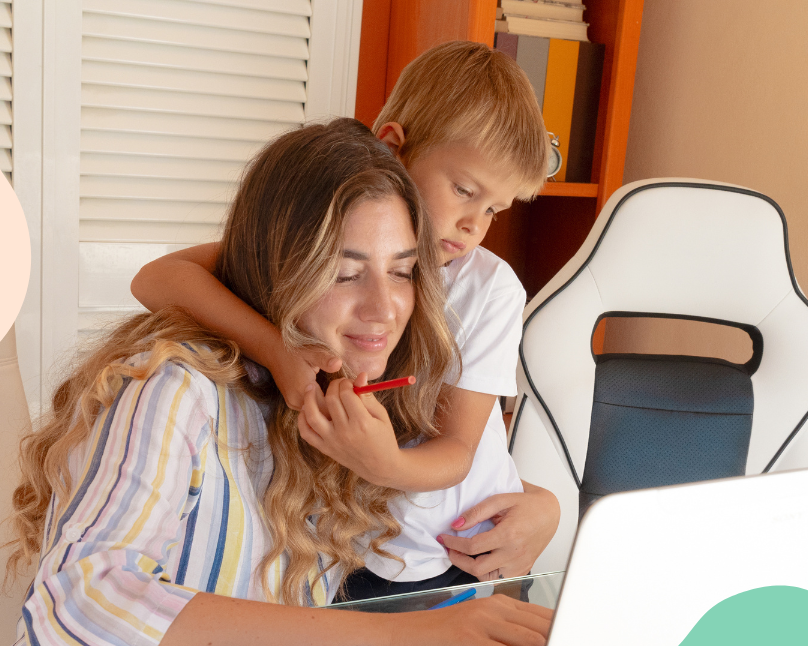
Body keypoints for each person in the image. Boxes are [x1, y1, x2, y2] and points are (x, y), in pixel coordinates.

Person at [0, 119, 551, 646]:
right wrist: (398, 643)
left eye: (402, 273)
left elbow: (450, 485)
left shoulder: (335, 400)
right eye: (345, 271)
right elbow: (83, 605)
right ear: (279, 265)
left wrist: (540, 505)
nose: (383, 308)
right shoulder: (174, 390)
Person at [131, 42, 561, 600]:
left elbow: (460, 451)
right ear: (392, 150)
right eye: (463, 191)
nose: (474, 225)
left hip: (455, 553)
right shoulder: (320, 239)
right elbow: (157, 278)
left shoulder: (487, 288)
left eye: (493, 210)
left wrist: (385, 465)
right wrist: (275, 349)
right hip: (347, 541)